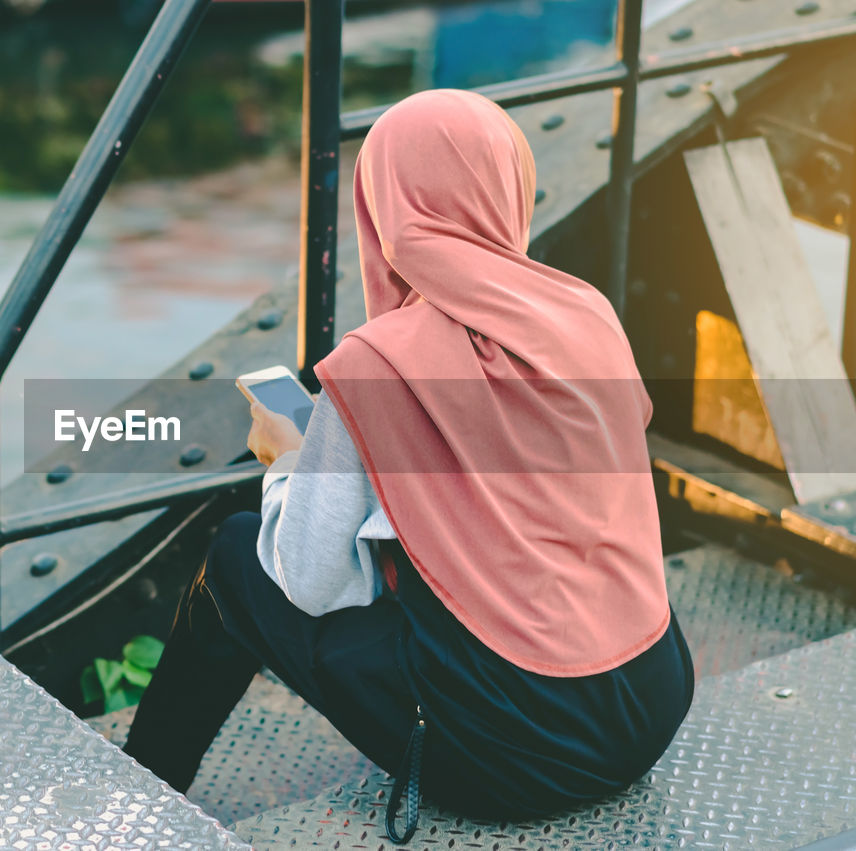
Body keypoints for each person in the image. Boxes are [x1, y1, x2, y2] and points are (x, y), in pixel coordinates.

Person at [122, 89, 694, 842]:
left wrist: (286, 462)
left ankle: (135, 785)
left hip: (517, 762)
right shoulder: (584, 314)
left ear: (388, 210)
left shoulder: (379, 364)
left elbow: (314, 581)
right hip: (651, 704)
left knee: (235, 551)